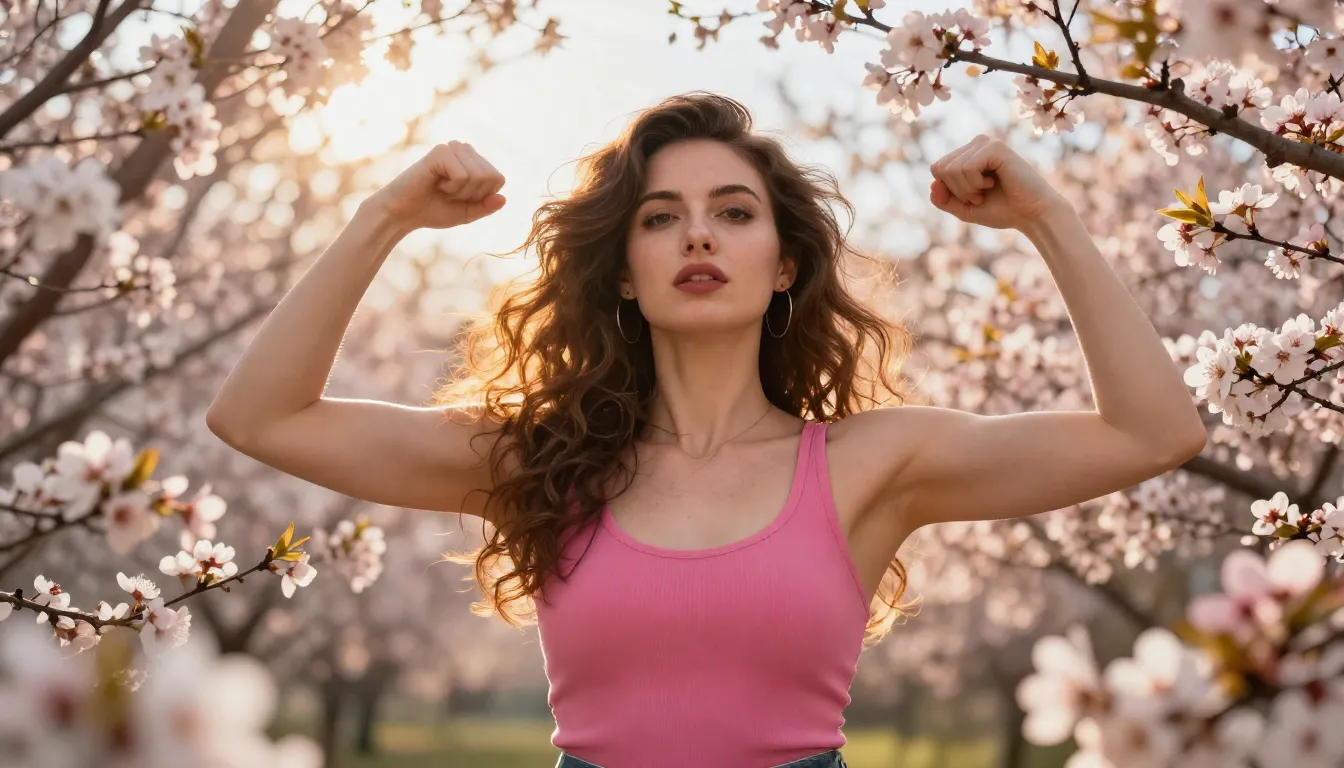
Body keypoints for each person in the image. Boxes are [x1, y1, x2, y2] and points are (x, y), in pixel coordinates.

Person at [205, 91, 1208, 768]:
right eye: (658, 218)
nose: (695, 234)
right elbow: (260, 416)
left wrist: (1048, 218)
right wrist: (386, 213)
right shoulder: (542, 462)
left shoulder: (876, 465)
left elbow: (1152, 433)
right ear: (625, 272)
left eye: (733, 213)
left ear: (782, 264)